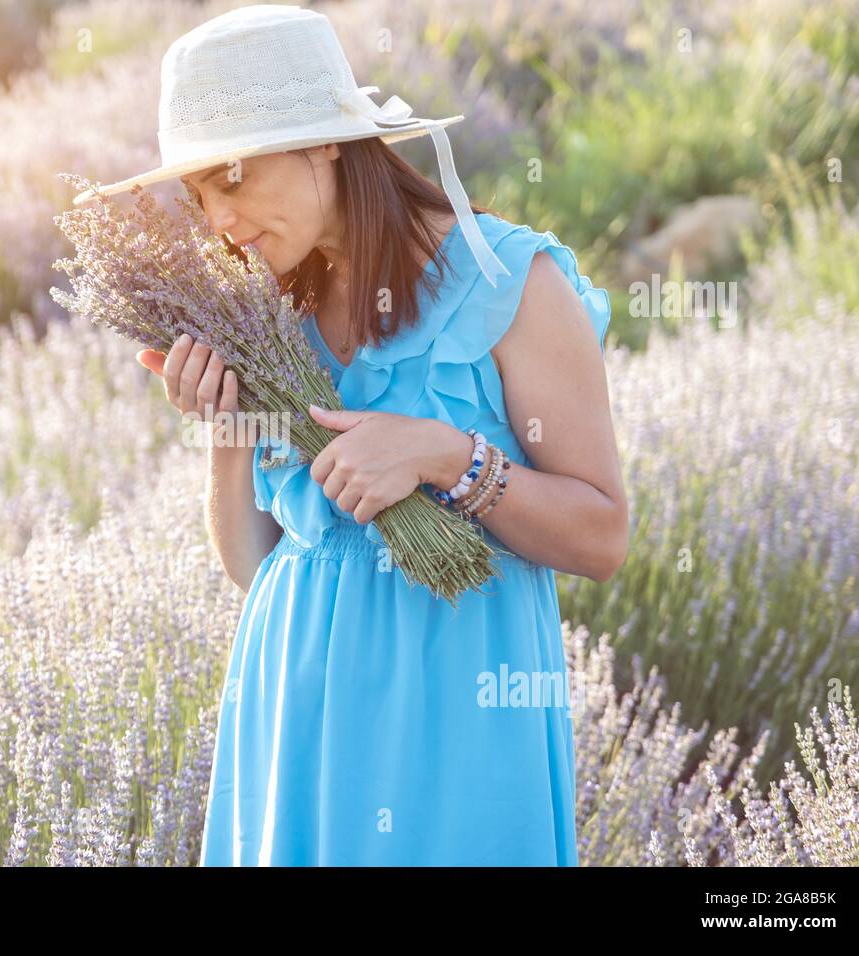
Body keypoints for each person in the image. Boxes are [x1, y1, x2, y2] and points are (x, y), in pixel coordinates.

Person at [82, 4, 627, 865]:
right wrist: (230, 428)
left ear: (327, 141)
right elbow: (256, 566)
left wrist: (445, 456)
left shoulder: (506, 278)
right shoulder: (267, 310)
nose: (218, 222)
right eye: (198, 198)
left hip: (457, 709)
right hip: (290, 708)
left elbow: (601, 535)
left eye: (232, 180)